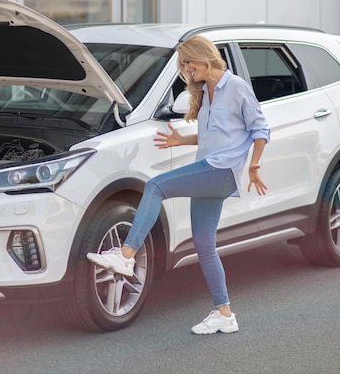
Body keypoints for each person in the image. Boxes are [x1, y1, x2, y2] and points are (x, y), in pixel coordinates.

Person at [87, 35, 270, 335]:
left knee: (156, 186)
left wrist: (254, 165)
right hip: (211, 172)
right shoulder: (207, 92)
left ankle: (126, 256)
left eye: (188, 62)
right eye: (183, 65)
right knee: (204, 245)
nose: (186, 69)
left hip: (220, 171)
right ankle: (224, 313)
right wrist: (181, 139)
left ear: (204, 56)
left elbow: (260, 128)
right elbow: (217, 134)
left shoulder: (235, 86)